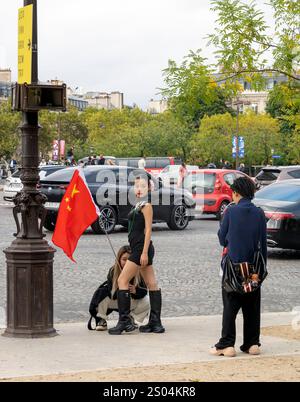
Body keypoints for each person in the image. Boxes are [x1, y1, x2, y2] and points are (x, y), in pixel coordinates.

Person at [210, 176, 267, 357]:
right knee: (252, 306)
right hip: (253, 267)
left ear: (236, 193)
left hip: (233, 266)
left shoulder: (231, 211)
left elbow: (221, 238)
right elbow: (263, 244)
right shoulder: (259, 213)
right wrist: (260, 271)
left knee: (230, 306)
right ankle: (252, 343)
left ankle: (227, 345)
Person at [108, 171, 165, 335]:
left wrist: (144, 252)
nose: (139, 189)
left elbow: (148, 230)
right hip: (139, 248)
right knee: (152, 283)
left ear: (149, 188)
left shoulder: (146, 206)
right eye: (136, 185)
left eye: (142, 186)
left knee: (122, 279)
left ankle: (124, 322)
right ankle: (155, 323)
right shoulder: (138, 205)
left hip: (141, 249)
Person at [95, 245, 150, 331]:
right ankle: (101, 319)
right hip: (116, 300)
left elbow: (144, 291)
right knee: (101, 295)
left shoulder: (138, 271)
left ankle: (130, 318)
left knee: (147, 301)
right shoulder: (113, 270)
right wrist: (120, 288)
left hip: (131, 300)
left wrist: (135, 291)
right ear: (119, 259)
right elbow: (110, 291)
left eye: (129, 260)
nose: (127, 262)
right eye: (124, 259)